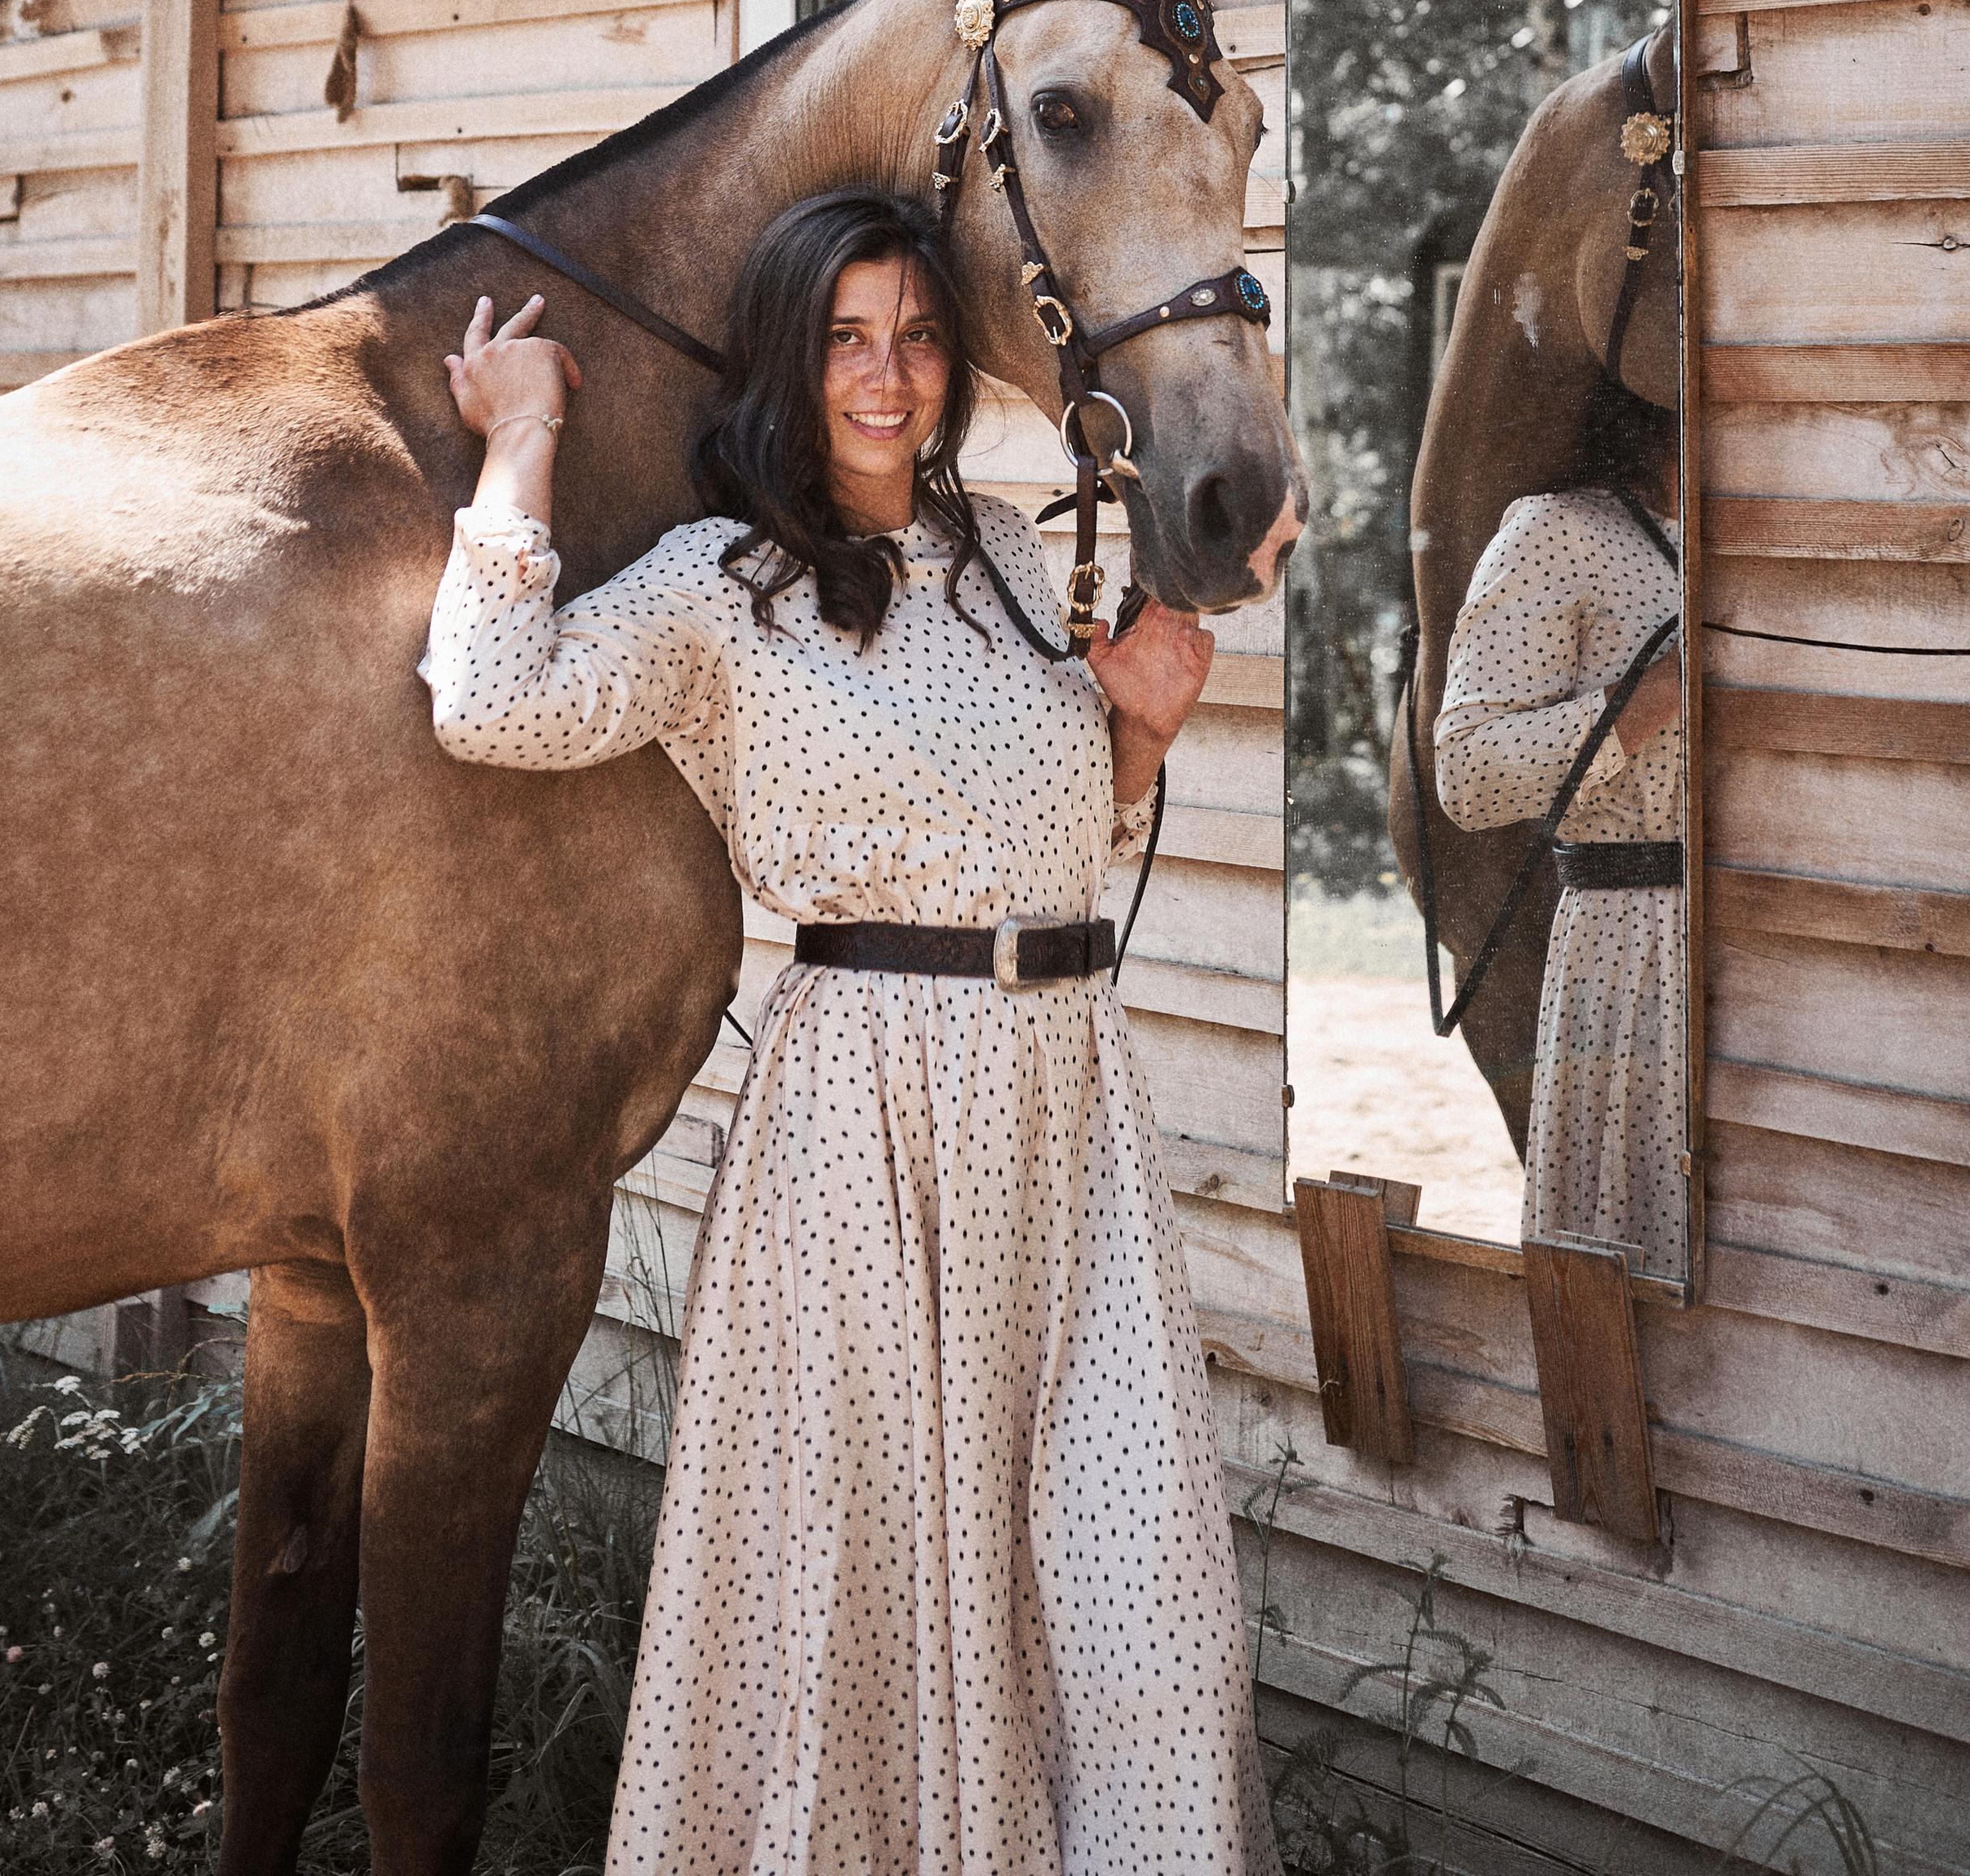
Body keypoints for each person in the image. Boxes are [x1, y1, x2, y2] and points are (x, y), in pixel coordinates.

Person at [420, 187, 1282, 1875]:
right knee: (862, 1579)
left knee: (1126, 1578)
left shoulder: (1014, 559)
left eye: (917, 336)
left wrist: (1141, 736)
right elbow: (491, 703)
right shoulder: (719, 588)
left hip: (1067, 1116)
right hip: (863, 1126)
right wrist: (518, 441)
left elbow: (1041, 838)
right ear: (787, 361)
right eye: (845, 339)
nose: (887, 377)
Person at [1432, 377, 1685, 1284]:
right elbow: (1465, 773)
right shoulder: (1557, 533)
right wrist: (1641, 706)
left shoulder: (1772, 534)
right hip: (1633, 939)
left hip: (1775, 940)